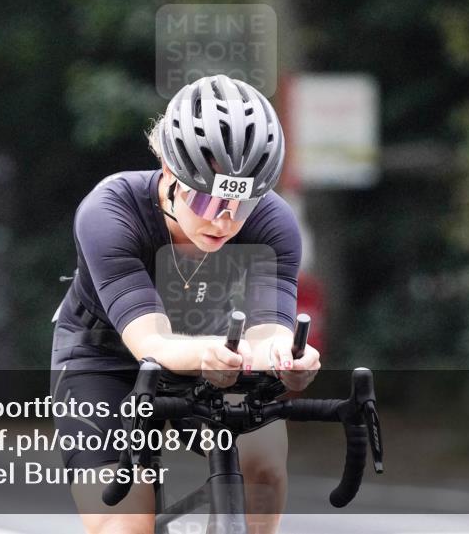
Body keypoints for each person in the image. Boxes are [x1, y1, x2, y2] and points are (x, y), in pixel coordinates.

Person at [50, 74, 321, 534]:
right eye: (208, 198)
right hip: (106, 358)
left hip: (212, 351)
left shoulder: (274, 223)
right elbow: (151, 343)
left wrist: (284, 356)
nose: (225, 220)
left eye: (244, 203)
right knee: (124, 525)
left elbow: (268, 331)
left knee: (266, 465)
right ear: (170, 173)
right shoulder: (110, 211)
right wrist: (219, 354)